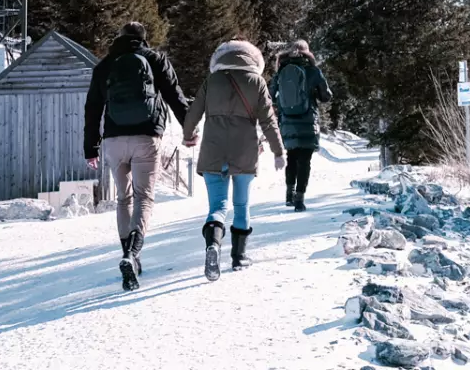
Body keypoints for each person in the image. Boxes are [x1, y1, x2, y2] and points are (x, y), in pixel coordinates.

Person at [83, 21, 189, 291]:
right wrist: (189, 130)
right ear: (144, 38)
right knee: (144, 197)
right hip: (146, 137)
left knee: (124, 198)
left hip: (114, 140)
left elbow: (93, 107)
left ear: (120, 38)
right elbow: (174, 95)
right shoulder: (155, 59)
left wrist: (90, 147)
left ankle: (128, 256)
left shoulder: (105, 64)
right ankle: (132, 253)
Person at [180, 39, 284, 280]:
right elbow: (268, 120)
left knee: (217, 207)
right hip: (245, 150)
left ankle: (213, 245)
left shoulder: (212, 80)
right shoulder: (256, 82)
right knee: (241, 204)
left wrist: (188, 136)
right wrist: (279, 152)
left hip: (213, 148)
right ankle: (239, 257)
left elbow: (194, 111)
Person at [270, 40, 333, 211]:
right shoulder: (312, 70)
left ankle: (289, 194)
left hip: (287, 121)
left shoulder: (282, 70)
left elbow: (270, 94)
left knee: (291, 157)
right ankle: (299, 199)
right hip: (307, 120)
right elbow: (326, 96)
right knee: (305, 160)